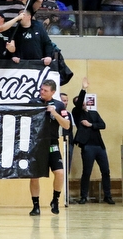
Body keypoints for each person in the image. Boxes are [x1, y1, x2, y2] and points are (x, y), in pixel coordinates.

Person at [29, 79, 71, 215]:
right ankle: (36, 205)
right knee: (34, 176)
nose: (42, 92)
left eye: (45, 91)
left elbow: (66, 125)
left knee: (59, 173)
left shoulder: (59, 105)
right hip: (37, 144)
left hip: (52, 143)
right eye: (41, 90)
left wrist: (54, 113)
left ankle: (55, 200)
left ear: (53, 92)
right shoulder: (33, 103)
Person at [72, 77, 114, 204]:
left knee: (106, 171)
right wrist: (83, 89)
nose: (81, 102)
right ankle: (83, 196)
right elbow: (78, 105)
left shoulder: (94, 113)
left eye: (82, 100)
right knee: (87, 172)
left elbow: (103, 125)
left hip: (100, 147)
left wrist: (91, 125)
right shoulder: (76, 112)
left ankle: (108, 196)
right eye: (78, 101)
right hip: (87, 147)